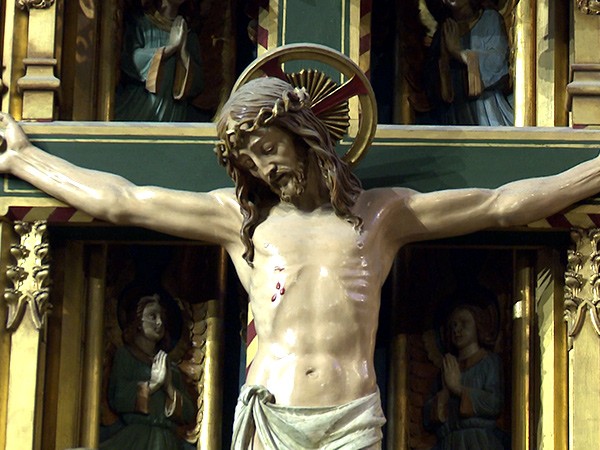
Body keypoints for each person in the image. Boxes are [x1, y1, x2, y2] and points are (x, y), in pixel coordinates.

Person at [1, 75, 600, 448]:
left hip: (351, 422)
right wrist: (25, 160)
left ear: (300, 132)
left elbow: (499, 205)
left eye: (269, 149)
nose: (264, 169)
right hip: (272, 417)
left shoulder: (381, 217)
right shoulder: (243, 223)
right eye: (251, 161)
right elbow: (124, 201)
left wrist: (592, 173)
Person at [100, 292, 196, 449]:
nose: (159, 322)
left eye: (162, 318)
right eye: (152, 316)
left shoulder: (169, 366)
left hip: (167, 441)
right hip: (137, 438)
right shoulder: (126, 356)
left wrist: (169, 387)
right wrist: (153, 384)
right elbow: (118, 397)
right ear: (138, 321)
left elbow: (188, 413)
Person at [423, 304, 507, 449]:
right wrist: (445, 393)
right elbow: (426, 417)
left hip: (478, 441)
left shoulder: (489, 362)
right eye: (453, 325)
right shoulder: (448, 368)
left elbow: (495, 403)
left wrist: (458, 389)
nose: (456, 330)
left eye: (464, 323)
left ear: (478, 325)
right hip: (448, 443)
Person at [419, 0, 513, 125]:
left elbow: (498, 61)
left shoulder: (489, 19)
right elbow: (430, 79)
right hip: (454, 114)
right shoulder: (444, 32)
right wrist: (444, 61)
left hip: (487, 111)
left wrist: (459, 53)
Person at [114, 0, 206, 122]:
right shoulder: (141, 22)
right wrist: (170, 48)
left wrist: (183, 51)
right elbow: (130, 60)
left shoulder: (188, 34)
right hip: (141, 107)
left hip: (173, 112)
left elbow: (198, 84)